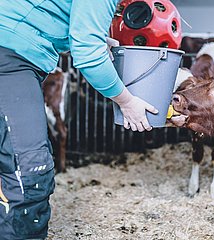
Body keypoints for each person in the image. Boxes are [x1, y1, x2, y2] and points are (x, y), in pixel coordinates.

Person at [0, 0, 158, 239]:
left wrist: (90, 39)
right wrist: (127, 101)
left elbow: (46, 16)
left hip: (11, 50)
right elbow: (88, 54)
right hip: (9, 57)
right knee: (31, 174)